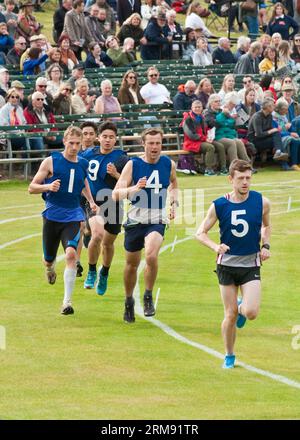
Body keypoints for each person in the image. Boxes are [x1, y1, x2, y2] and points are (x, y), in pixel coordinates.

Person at [196, 159, 271, 369]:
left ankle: (242, 306)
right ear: (231, 180)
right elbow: (200, 233)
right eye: (240, 178)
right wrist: (215, 246)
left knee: (251, 312)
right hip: (227, 266)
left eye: (248, 178)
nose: (245, 182)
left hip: (250, 265)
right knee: (229, 315)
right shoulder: (219, 205)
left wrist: (266, 245)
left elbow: (267, 226)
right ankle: (229, 355)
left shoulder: (261, 202)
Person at [28, 126, 97, 315]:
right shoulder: (51, 161)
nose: (74, 147)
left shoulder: (82, 163)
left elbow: (83, 183)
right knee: (48, 259)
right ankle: (50, 268)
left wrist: (91, 201)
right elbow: (32, 187)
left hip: (74, 215)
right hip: (52, 216)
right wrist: (48, 186)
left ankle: (67, 302)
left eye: (78, 143)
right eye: (71, 143)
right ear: (64, 141)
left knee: (71, 255)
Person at [112, 127, 178, 323]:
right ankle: (128, 300)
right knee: (131, 265)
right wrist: (134, 188)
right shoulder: (133, 165)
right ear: (144, 144)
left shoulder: (168, 164)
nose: (155, 147)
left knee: (151, 255)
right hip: (135, 219)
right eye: (151, 143)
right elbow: (116, 194)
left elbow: (174, 183)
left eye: (158, 143)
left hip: (157, 218)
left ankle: (148, 296)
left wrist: (174, 202)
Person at [81, 122, 129, 295]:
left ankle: (104, 273)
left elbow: (128, 183)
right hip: (94, 202)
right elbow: (79, 172)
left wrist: (116, 174)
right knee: (97, 235)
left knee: (108, 244)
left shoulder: (121, 158)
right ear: (98, 137)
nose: (108, 140)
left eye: (111, 137)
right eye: (105, 136)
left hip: (113, 203)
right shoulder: (88, 154)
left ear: (116, 139)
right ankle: (92, 270)